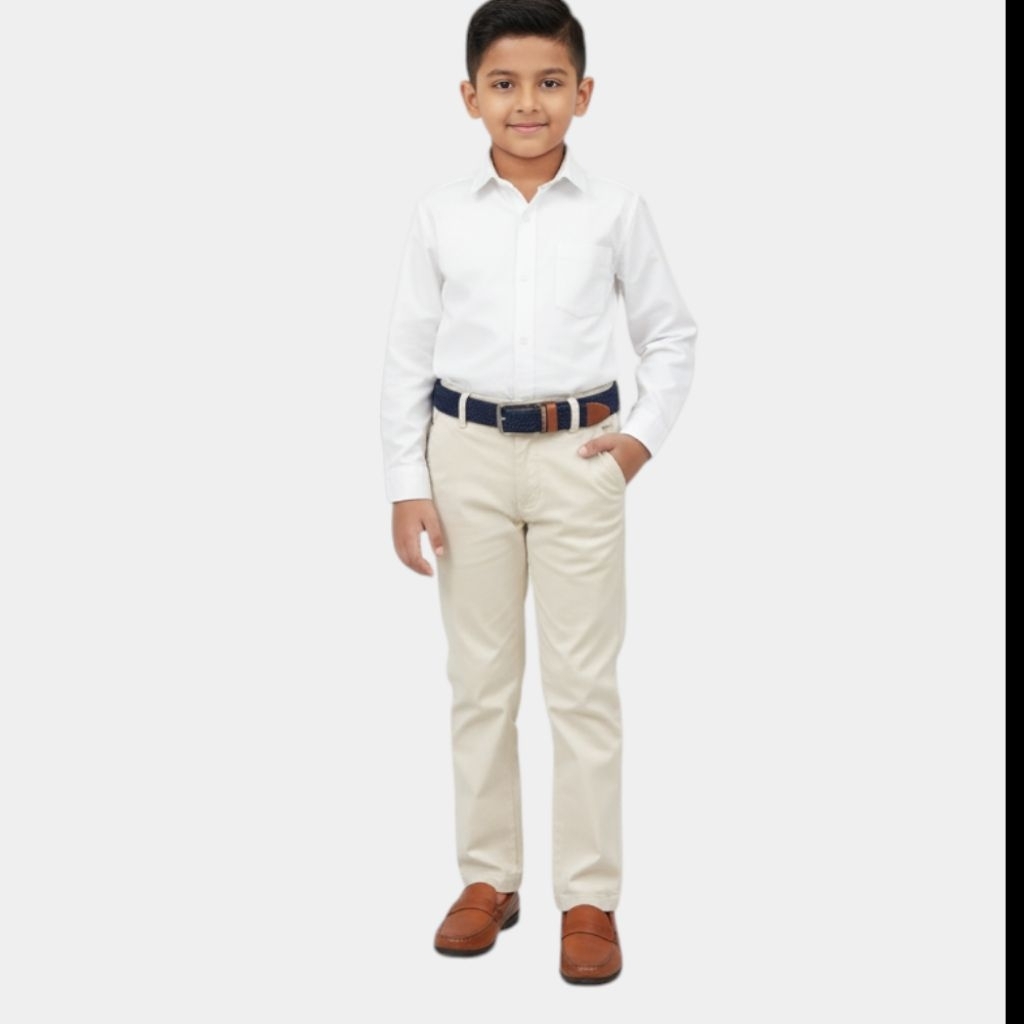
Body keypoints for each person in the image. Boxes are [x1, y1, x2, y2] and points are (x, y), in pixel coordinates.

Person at [379, 0, 697, 985]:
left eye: (550, 83)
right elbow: (407, 353)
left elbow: (669, 334)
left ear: (583, 94)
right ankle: (488, 878)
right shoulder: (441, 214)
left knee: (582, 685)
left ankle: (589, 895)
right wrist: (406, 482)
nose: (528, 103)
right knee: (479, 680)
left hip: (579, 458)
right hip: (464, 456)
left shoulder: (615, 211)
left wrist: (637, 441)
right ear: (469, 95)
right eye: (505, 84)